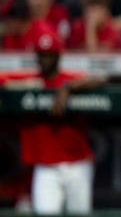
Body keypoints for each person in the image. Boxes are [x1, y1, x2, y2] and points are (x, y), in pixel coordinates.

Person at [0, 21, 106, 215]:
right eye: (42, 55)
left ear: (58, 55)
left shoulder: (69, 78)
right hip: (46, 168)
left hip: (77, 164)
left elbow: (101, 77)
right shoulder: (29, 80)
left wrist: (68, 88)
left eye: (50, 55)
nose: (46, 60)